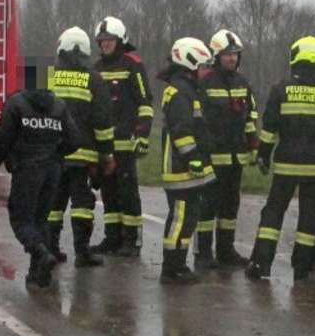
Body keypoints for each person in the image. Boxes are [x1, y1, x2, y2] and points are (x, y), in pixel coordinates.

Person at [246, 36, 315, 282]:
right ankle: (301, 269)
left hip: (286, 166)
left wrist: (263, 157)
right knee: (309, 216)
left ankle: (261, 264)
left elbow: (268, 131)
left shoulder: (280, 90)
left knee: (273, 213)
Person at [0, 68, 87, 288]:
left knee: (21, 219)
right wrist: (57, 154)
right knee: (41, 220)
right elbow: (75, 139)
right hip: (52, 171)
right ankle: (39, 275)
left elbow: (2, 139)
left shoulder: (16, 104)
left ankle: (40, 253)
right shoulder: (58, 106)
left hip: (27, 169)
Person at [43, 26, 115, 266]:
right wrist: (106, 154)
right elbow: (102, 121)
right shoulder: (95, 79)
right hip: (83, 156)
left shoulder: (48, 76)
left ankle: (50, 249)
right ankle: (82, 253)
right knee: (82, 203)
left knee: (54, 202)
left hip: (53, 154)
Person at [156, 37, 217, 284]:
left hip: (186, 167)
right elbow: (182, 131)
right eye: (203, 66)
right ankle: (172, 268)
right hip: (180, 168)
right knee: (181, 218)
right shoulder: (181, 92)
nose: (205, 72)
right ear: (190, 64)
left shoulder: (187, 89)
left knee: (188, 218)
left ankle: (178, 264)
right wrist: (193, 159)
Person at [90, 16, 152, 257]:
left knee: (127, 191)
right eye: (102, 41)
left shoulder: (132, 65)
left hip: (126, 141)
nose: (105, 44)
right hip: (104, 144)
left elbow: (145, 102)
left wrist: (143, 134)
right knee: (108, 192)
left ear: (120, 40)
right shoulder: (96, 68)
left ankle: (132, 240)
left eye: (110, 40)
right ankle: (112, 237)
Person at [197, 29, 258, 267]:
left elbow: (250, 114)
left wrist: (253, 143)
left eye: (235, 54)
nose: (232, 58)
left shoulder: (243, 82)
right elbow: (199, 119)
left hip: (236, 157)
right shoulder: (205, 83)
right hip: (213, 156)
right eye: (227, 54)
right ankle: (203, 253)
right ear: (216, 56)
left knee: (230, 207)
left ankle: (225, 251)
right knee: (208, 207)